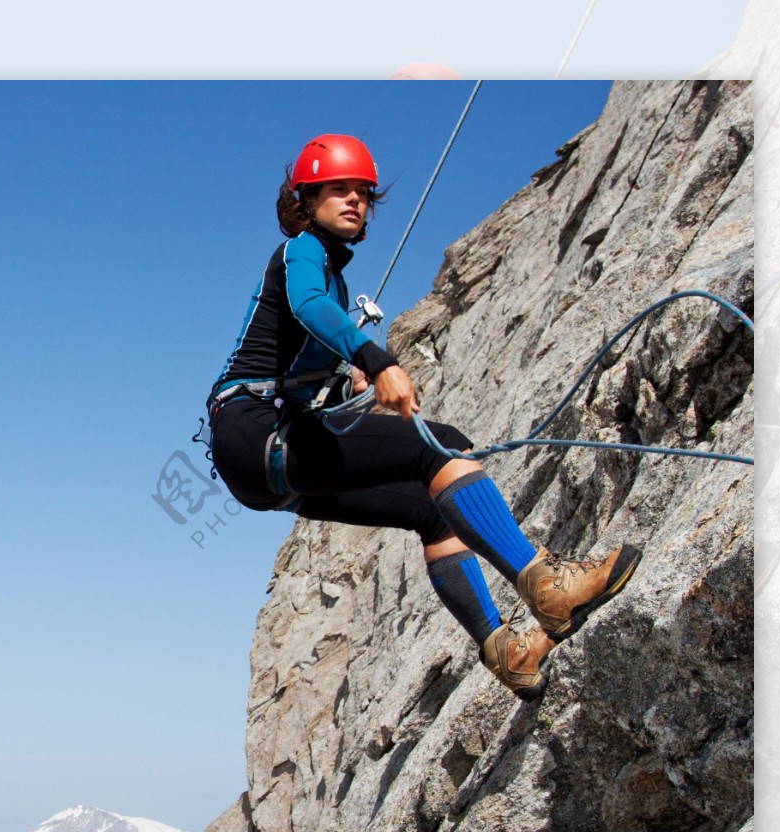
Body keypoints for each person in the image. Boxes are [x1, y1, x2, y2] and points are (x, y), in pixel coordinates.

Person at [205, 134, 640, 699]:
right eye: (337, 189)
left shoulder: (329, 274)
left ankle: (507, 652)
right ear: (307, 201)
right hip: (255, 431)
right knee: (442, 445)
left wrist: (342, 380)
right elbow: (309, 307)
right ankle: (549, 585)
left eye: (362, 192)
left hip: (261, 457)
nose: (354, 200)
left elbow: (297, 352)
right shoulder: (301, 252)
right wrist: (375, 358)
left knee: (433, 515)